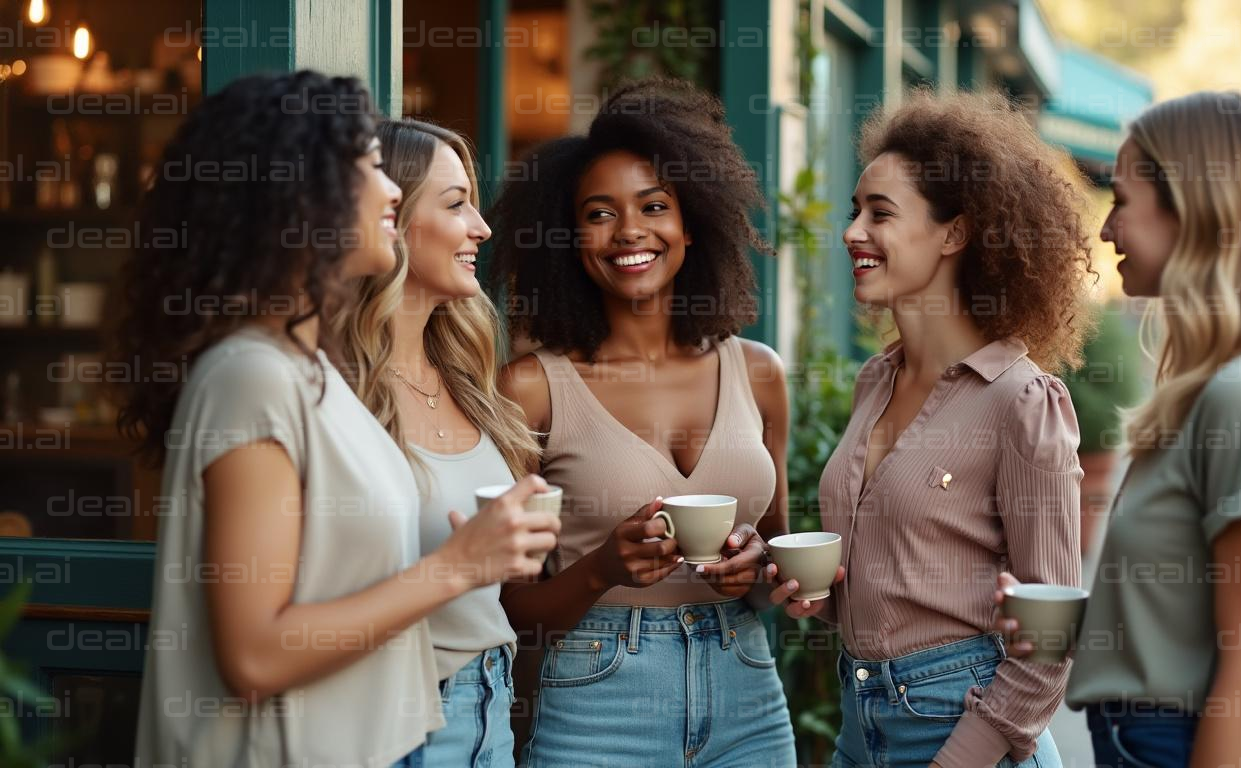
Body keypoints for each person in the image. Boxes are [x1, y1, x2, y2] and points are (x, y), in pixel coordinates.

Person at [115, 72, 557, 767]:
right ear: (299, 196)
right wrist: (456, 567)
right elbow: (256, 655)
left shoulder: (307, 374)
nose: (388, 191)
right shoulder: (251, 375)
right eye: (369, 170)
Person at [995, 90, 1241, 768]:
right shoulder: (1227, 386)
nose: (1106, 230)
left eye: (1122, 200)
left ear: (1196, 210)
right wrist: (1079, 627)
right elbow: (1196, 617)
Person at [769, 90, 1095, 768]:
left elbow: (1050, 641)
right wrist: (818, 595)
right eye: (856, 210)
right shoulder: (875, 380)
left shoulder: (1021, 401)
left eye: (879, 213)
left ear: (954, 233)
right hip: (861, 728)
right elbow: (901, 582)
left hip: (965, 733)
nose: (853, 231)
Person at [489, 78, 796, 766]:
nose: (629, 230)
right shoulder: (534, 389)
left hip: (747, 696)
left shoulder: (759, 373)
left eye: (653, 206)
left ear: (691, 224)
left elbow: (779, 563)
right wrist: (601, 568)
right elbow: (511, 611)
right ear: (571, 239)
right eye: (599, 214)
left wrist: (754, 570)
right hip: (597, 704)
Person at [334, 117, 545, 766]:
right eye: (456, 205)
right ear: (388, 216)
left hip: (489, 712)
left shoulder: (469, 375)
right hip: (394, 722)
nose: (481, 227)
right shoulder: (333, 391)